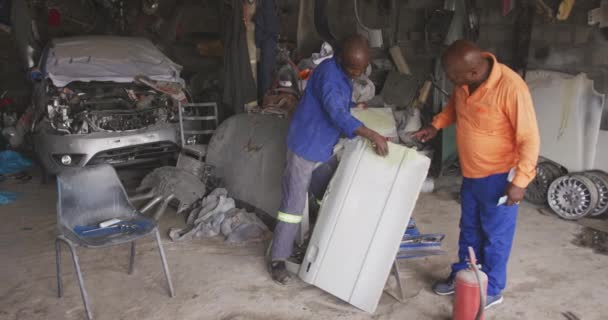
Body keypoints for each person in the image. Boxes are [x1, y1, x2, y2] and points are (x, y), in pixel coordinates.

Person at [414, 40, 540, 309]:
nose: (449, 80)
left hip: (500, 176)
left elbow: (529, 138)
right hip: (471, 173)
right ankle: (464, 275)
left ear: (472, 72)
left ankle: (492, 287)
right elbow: (454, 109)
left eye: (452, 76)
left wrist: (520, 181)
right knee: (469, 229)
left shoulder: (511, 87)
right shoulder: (464, 83)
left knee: (495, 235)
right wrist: (436, 125)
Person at [269, 35, 389, 285]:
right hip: (306, 144)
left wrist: (354, 105)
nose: (358, 73)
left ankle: (326, 240)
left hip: (323, 145)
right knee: (293, 205)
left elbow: (338, 105)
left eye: (362, 68)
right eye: (354, 69)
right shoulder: (330, 76)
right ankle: (278, 260)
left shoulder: (338, 70)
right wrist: (370, 133)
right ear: (342, 60)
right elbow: (335, 111)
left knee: (330, 192)